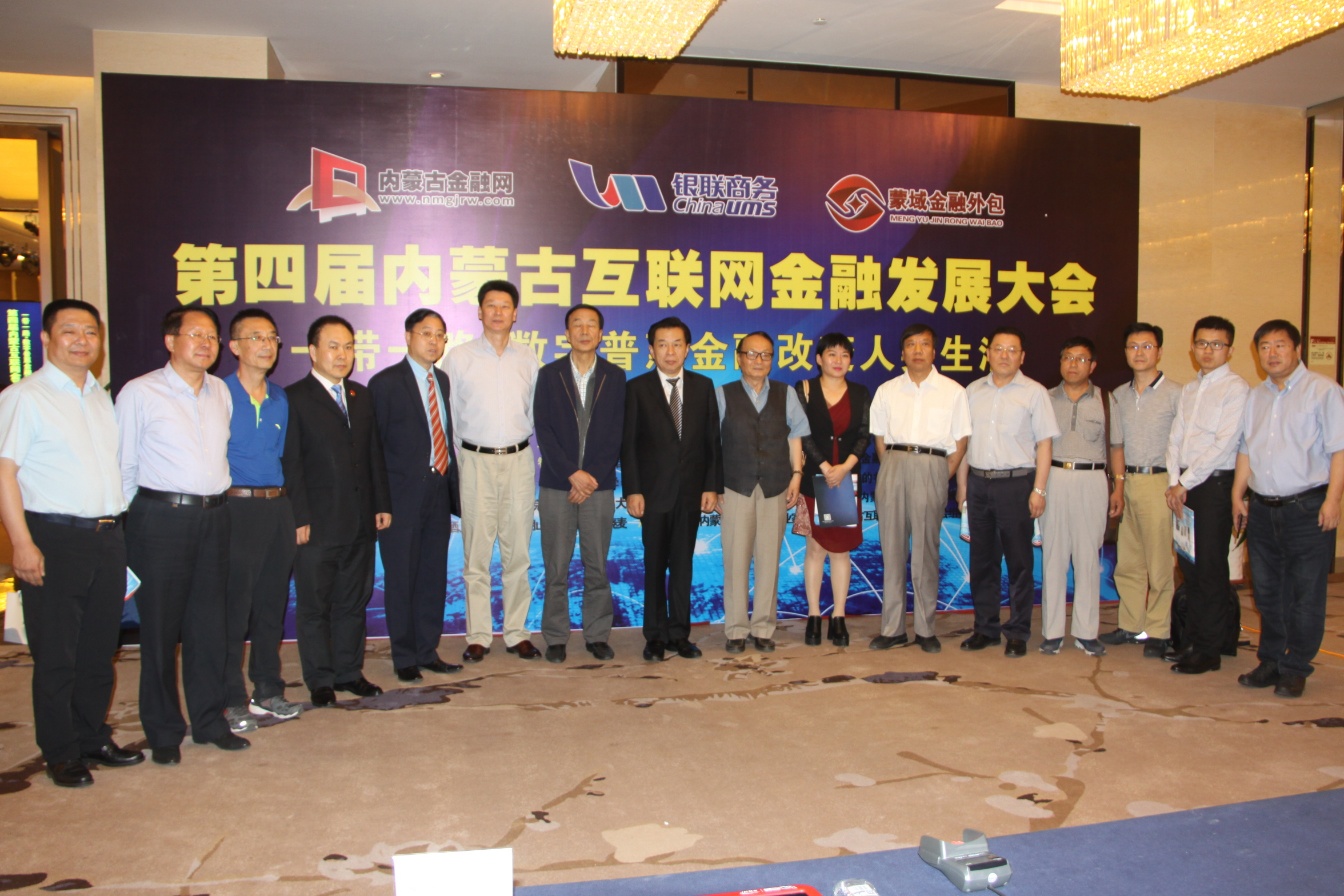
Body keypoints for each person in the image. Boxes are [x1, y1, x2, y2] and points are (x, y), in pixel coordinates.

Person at [0, 299, 143, 787]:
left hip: (107, 537)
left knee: (99, 649)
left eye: (90, 332)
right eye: (70, 331)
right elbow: (5, 473)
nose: (82, 341)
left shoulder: (98, 397)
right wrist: (21, 543)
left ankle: (92, 736)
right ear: (46, 338)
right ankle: (60, 751)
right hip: (54, 537)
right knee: (57, 653)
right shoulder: (26, 397)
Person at [116, 306, 244, 764]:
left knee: (209, 627)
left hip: (215, 516)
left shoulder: (220, 391)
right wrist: (128, 527)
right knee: (159, 630)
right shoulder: (140, 392)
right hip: (160, 518)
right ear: (171, 341)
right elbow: (123, 465)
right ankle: (164, 731)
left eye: (212, 336)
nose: (206, 343)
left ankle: (210, 722)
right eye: (195, 334)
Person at [283, 315, 392, 705]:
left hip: (360, 519)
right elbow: (291, 464)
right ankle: (320, 680)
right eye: (333, 346)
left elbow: (373, 453)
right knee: (315, 605)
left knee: (352, 601)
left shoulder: (360, 396)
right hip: (317, 524)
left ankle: (349, 672)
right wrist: (299, 516)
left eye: (348, 346)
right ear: (313, 351)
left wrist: (381, 503)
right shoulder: (294, 398)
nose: (342, 354)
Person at [1232, 319, 1344, 698]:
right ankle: (1271, 660)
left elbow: (1339, 450)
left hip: (1307, 508)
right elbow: (1246, 449)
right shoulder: (1256, 397)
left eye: (1280, 345)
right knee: (1266, 591)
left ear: (1297, 349)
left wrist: (1333, 500)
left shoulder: (1323, 391)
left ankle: (1296, 667)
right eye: (1264, 347)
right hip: (1263, 509)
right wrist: (1238, 494)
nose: (1272, 353)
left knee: (1305, 593)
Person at [446, 279, 541, 663]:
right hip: (474, 461)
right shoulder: (459, 358)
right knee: (477, 555)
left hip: (518, 460)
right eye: (491, 305)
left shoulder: (528, 358)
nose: (498, 312)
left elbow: (534, 412)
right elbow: (451, 417)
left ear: (515, 313)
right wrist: (463, 459)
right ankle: (479, 636)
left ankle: (517, 632)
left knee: (518, 553)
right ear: (479, 311)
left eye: (505, 306)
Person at [622, 316, 723, 662]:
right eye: (662, 344)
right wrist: (633, 490)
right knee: (654, 566)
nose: (670, 351)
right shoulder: (637, 388)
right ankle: (654, 636)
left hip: (691, 493)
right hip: (652, 494)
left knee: (682, 566)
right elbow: (628, 445)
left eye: (677, 344)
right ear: (651, 349)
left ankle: (679, 634)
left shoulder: (703, 386)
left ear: (687, 348)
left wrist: (711, 486)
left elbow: (712, 441)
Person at [370, 309, 463, 683]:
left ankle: (427, 650)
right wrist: (380, 501)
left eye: (440, 335)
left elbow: (444, 436)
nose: (434, 341)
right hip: (400, 497)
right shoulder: (385, 383)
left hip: (437, 491)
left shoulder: (442, 380)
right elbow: (374, 448)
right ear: (408, 336)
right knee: (402, 577)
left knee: (431, 576)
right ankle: (404, 655)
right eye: (426, 333)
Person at [222, 309, 302, 730]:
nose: (267, 345)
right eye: (256, 337)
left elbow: (285, 457)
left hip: (277, 508)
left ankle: (267, 690)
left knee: (271, 605)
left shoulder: (280, 399)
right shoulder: (217, 394)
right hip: (235, 508)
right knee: (233, 609)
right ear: (234, 346)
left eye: (272, 337)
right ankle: (230, 698)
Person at [957, 326, 1058, 657]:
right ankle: (985, 629)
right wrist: (962, 487)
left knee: (1019, 563)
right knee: (982, 562)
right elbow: (964, 443)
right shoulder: (972, 391)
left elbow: (1045, 445)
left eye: (1012, 350)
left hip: (1017, 484)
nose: (1004, 355)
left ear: (1022, 357)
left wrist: (1039, 489)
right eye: (999, 349)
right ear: (988, 353)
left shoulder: (1034, 392)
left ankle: (1017, 631)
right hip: (978, 484)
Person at [868, 324, 969, 654]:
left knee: (926, 551)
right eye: (911, 344)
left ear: (934, 351)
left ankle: (926, 629)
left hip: (932, 466)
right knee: (892, 550)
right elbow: (879, 438)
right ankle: (893, 629)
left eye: (924, 344)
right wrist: (891, 466)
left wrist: (941, 475)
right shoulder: (887, 390)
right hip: (894, 464)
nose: (917, 350)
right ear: (902, 353)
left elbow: (960, 441)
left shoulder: (953, 391)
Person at [535, 304, 626, 663]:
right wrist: (572, 473)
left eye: (591, 325)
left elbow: (617, 432)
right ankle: (556, 636)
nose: (585, 331)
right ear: (567, 333)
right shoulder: (549, 374)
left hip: (599, 487)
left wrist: (592, 477)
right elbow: (544, 430)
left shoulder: (614, 376)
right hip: (558, 484)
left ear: (601, 334)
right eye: (577, 325)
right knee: (556, 566)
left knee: (596, 564)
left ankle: (597, 634)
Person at [1163, 315, 1249, 674]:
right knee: (1190, 567)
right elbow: (1176, 438)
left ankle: (1210, 650)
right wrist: (1174, 481)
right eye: (1202, 343)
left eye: (1216, 344)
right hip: (1184, 487)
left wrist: (1185, 482)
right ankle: (1193, 641)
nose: (1208, 350)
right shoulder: (1190, 389)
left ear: (1230, 349)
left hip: (1212, 486)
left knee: (1210, 568)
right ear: (1192, 347)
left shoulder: (1236, 388)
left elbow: (1224, 444)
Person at [715, 332, 808, 654]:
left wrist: (796, 475)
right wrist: (713, 486)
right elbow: (712, 444)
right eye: (752, 354)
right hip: (735, 487)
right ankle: (736, 629)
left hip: (775, 486)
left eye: (766, 355)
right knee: (736, 560)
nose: (758, 360)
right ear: (739, 358)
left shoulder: (786, 393)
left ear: (772, 359)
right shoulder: (723, 394)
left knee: (769, 560)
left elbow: (795, 436)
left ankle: (764, 627)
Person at [1100, 323, 1182, 658]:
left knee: (1159, 561)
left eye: (1147, 346)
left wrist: (1179, 484)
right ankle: (1131, 624)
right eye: (1133, 346)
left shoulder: (1177, 394)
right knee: (1128, 560)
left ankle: (1159, 630)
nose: (1139, 352)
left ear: (1159, 351)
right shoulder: (1117, 395)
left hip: (1158, 481)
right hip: (1124, 481)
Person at [1039, 336, 1117, 657]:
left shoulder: (1107, 401)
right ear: (1060, 362)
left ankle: (1086, 633)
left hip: (1093, 479)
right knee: (1053, 557)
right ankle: (1052, 632)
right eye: (1068, 357)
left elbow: (1116, 447)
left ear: (1093, 365)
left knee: (1088, 558)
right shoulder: (1044, 398)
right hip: (1054, 478)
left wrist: (1118, 487)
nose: (1073, 364)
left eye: (1081, 358)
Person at [795, 334, 872, 648]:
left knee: (841, 551)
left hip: (843, 484)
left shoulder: (860, 393)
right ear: (819, 359)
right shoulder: (804, 389)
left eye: (844, 355)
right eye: (831, 354)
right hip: (816, 481)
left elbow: (864, 435)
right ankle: (814, 615)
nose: (838, 360)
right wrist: (826, 467)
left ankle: (839, 615)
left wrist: (845, 467)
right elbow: (802, 434)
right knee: (815, 550)